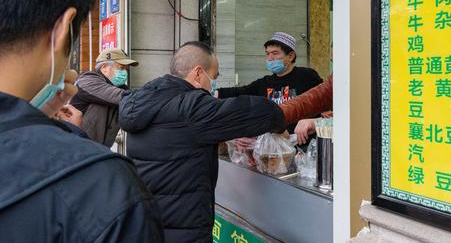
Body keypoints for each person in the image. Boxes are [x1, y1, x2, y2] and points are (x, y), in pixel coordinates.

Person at [0, 0, 163, 242]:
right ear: (63, 28)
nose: (123, 74)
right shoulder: (101, 187)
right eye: (120, 67)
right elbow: (123, 99)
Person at [119, 41, 322, 243]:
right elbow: (254, 112)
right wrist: (279, 122)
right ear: (198, 73)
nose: (213, 84)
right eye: (214, 77)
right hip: (184, 226)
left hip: (148, 221)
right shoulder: (192, 107)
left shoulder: (143, 100)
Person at [217, 31, 323, 132]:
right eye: (267, 54)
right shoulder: (264, 83)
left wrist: (317, 122)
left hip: (304, 138)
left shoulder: (307, 76)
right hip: (276, 139)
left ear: (291, 56)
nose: (270, 58)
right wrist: (214, 92)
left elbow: (325, 101)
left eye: (275, 53)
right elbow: (240, 92)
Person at [70, 48, 138, 146]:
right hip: (77, 146)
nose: (125, 73)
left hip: (97, 149)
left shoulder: (120, 88)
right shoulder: (87, 81)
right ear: (104, 67)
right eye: (121, 68)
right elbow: (119, 96)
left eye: (126, 69)